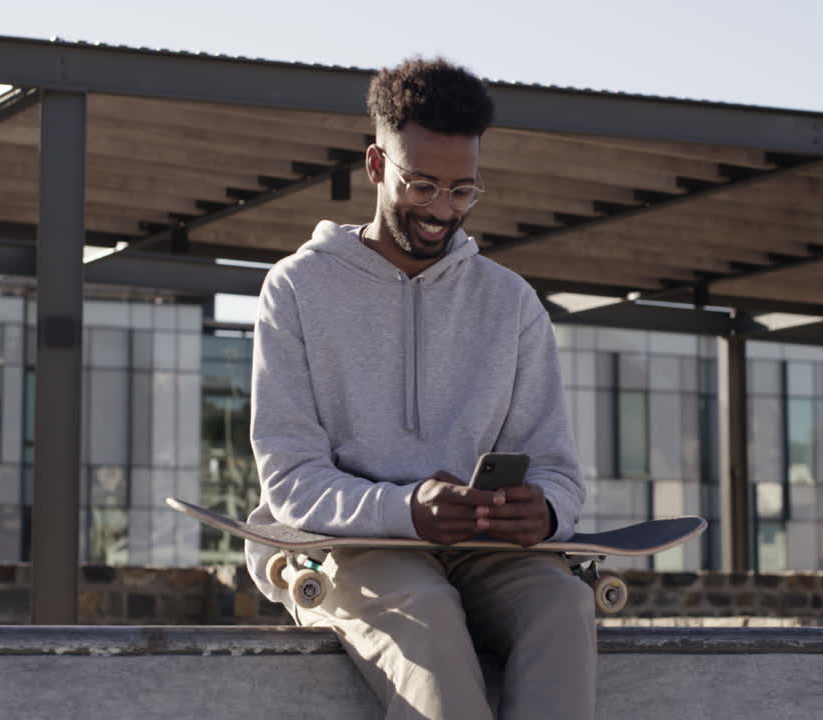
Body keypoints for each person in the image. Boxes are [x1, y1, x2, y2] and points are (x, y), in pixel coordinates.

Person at [243, 57, 595, 720]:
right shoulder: (297, 289)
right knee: (428, 614)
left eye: (463, 191)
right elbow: (290, 481)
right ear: (377, 166)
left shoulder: (510, 303)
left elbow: (556, 468)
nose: (442, 211)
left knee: (565, 606)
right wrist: (405, 509)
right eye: (423, 185)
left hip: (484, 552)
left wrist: (546, 511)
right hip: (352, 547)